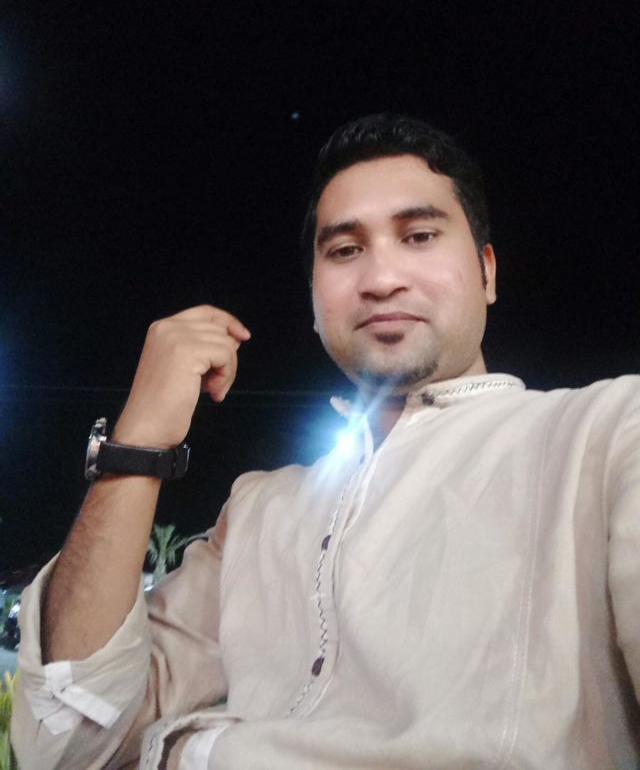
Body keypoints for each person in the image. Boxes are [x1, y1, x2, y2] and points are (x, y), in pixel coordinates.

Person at [11, 114, 640, 769]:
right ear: (315, 300)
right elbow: (68, 738)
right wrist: (136, 445)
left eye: (419, 236)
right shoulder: (258, 512)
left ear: (486, 272)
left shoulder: (603, 440)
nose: (381, 278)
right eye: (344, 250)